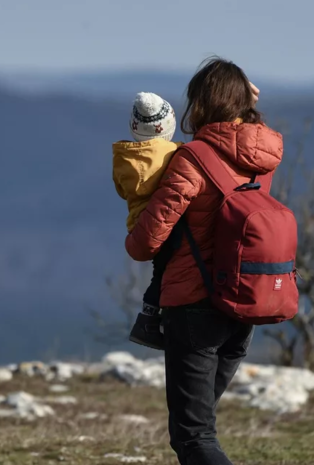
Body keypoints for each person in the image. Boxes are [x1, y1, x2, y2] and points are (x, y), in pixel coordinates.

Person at [124, 58, 283, 465]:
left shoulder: (194, 160)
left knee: (193, 439)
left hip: (195, 310)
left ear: (201, 103)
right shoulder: (262, 159)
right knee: (198, 430)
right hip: (243, 307)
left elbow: (144, 244)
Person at [112, 91, 181, 350]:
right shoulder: (176, 154)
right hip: (166, 224)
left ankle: (150, 317)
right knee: (166, 271)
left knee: (159, 270)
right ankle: (149, 320)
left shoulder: (122, 158)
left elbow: (121, 191)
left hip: (139, 226)